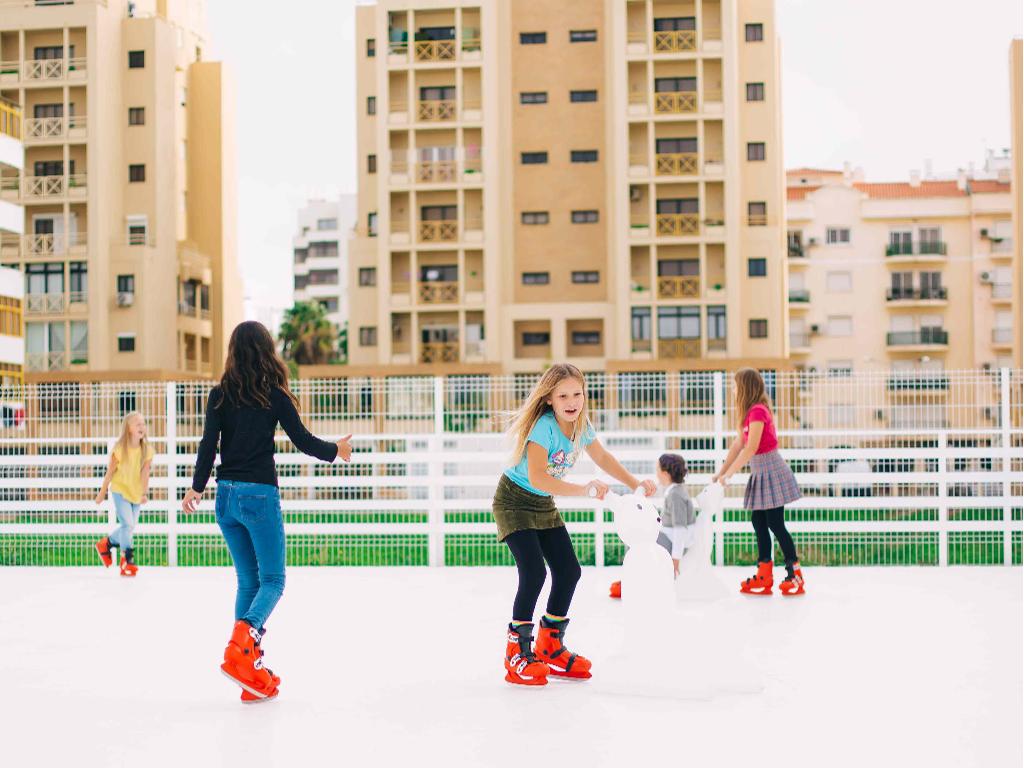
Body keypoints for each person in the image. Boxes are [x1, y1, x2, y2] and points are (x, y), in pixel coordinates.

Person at [182, 321, 353, 703]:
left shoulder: (219, 395)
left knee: (248, 582)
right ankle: (242, 646)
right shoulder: (273, 395)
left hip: (225, 498)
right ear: (266, 351)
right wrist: (336, 450)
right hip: (258, 496)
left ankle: (248, 667)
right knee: (273, 581)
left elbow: (208, 446)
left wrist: (196, 487)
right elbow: (303, 441)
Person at [494, 363, 656, 686]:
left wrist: (635, 481)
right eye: (563, 395)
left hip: (542, 502)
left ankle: (550, 645)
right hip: (514, 501)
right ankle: (516, 652)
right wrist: (584, 490)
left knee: (569, 570)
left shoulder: (581, 425)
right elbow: (538, 476)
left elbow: (603, 458)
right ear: (550, 399)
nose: (571, 401)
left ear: (585, 394)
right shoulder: (544, 427)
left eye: (577, 394)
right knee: (534, 573)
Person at [713, 367, 805, 596]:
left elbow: (751, 447)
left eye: (735, 385)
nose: (733, 390)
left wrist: (730, 475)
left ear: (745, 387)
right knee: (758, 521)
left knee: (775, 523)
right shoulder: (747, 414)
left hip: (771, 470)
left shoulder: (758, 411)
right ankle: (764, 574)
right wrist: (720, 472)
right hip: (760, 472)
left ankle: (795, 574)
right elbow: (737, 446)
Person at [608, 453, 693, 598]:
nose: (656, 473)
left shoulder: (675, 495)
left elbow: (680, 529)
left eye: (657, 469)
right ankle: (636, 581)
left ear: (665, 474)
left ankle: (635, 583)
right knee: (640, 537)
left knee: (639, 540)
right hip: (670, 537)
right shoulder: (674, 492)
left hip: (675, 542)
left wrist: (676, 559)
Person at [94, 411, 153, 577]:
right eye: (138, 424)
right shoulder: (119, 449)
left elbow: (145, 473)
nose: (142, 427)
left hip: (135, 493)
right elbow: (110, 473)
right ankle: (127, 559)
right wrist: (102, 493)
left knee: (129, 527)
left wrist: (143, 493)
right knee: (127, 525)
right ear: (128, 429)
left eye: (143, 423)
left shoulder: (147, 450)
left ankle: (107, 543)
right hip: (120, 490)